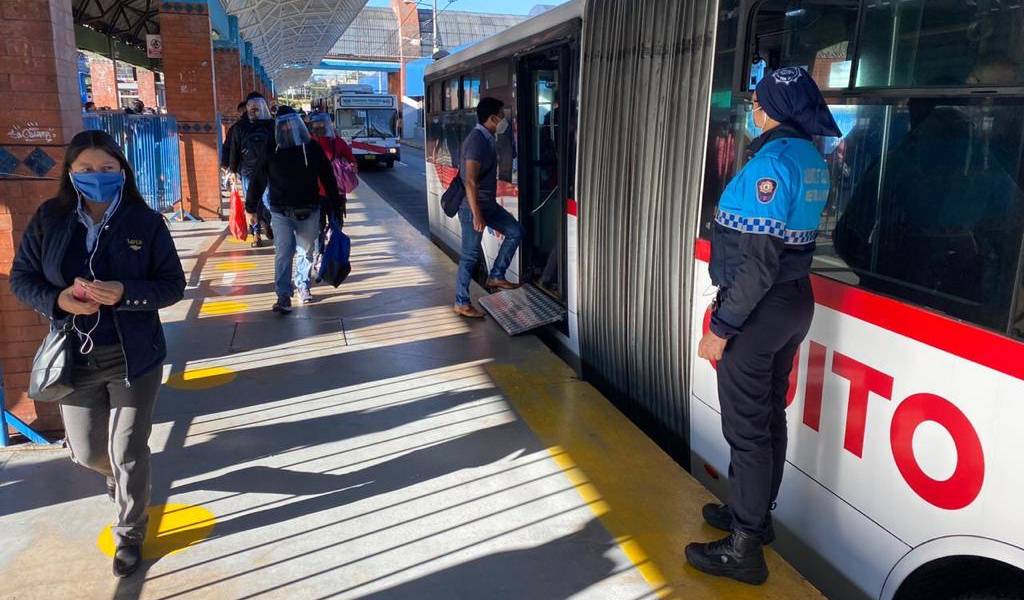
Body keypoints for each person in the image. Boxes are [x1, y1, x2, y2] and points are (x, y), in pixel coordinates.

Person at [686, 67, 840, 585]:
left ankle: (743, 548)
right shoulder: (811, 158)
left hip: (759, 310)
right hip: (795, 302)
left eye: (757, 100)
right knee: (769, 416)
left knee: (747, 431)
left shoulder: (771, 163)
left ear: (773, 108)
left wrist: (721, 328)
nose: (753, 109)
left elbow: (757, 266)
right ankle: (753, 516)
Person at [9, 130, 186, 578]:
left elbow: (172, 285)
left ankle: (129, 532)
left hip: (133, 356)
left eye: (107, 168)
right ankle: (119, 478)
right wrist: (57, 300)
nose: (98, 177)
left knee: (128, 449)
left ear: (122, 171)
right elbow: (22, 277)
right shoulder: (50, 218)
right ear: (70, 173)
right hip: (74, 357)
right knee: (87, 452)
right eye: (86, 169)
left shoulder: (145, 222)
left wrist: (126, 292)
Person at [246, 106, 340, 312]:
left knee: (306, 252)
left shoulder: (311, 147)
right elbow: (258, 178)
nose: (288, 127)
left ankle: (302, 285)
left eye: (291, 122)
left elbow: (328, 176)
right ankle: (283, 295)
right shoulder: (271, 149)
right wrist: (250, 208)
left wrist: (336, 204)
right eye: (283, 124)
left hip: (309, 209)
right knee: (283, 252)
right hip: (281, 211)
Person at [453, 97, 523, 318]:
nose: (504, 119)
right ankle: (461, 302)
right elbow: (470, 181)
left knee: (515, 231)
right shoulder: (476, 141)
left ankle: (496, 275)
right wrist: (476, 215)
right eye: (501, 115)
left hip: (488, 205)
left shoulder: (487, 138)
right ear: (492, 118)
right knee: (470, 255)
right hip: (473, 207)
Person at [228, 94, 276, 245]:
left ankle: (266, 226)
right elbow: (234, 149)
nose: (253, 110)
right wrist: (232, 170)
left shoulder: (270, 124)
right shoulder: (240, 127)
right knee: (255, 202)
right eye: (251, 106)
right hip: (251, 171)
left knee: (266, 200)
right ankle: (257, 231)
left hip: (263, 171)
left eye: (257, 106)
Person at [309, 112, 356, 236]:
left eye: (321, 123)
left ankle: (325, 246)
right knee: (328, 227)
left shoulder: (309, 142)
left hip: (327, 193)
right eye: (316, 123)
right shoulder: (336, 141)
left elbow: (352, 160)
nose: (319, 126)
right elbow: (352, 161)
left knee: (325, 227)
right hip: (325, 193)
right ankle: (326, 246)